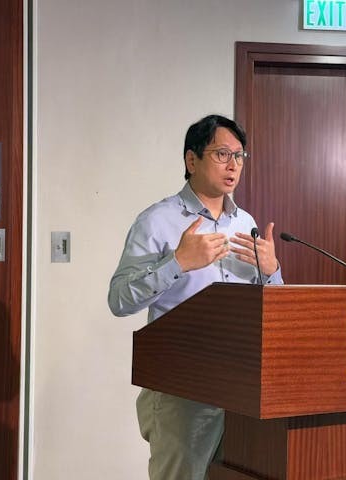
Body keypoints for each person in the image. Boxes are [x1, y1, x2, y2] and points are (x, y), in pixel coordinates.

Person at [108, 114, 283, 480]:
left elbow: (272, 309)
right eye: (222, 154)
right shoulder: (157, 220)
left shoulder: (246, 223)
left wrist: (272, 271)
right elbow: (120, 300)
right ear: (192, 160)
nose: (233, 165)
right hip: (182, 386)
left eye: (239, 156)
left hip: (241, 383)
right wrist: (178, 262)